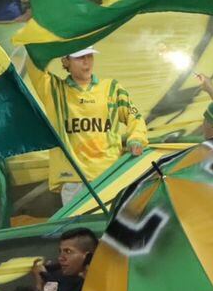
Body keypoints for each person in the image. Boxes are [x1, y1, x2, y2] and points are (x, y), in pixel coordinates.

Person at [31, 47, 147, 206]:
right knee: (78, 230)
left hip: (109, 174)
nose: (86, 62)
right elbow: (34, 62)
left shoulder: (112, 88)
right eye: (80, 57)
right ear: (66, 61)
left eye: (89, 56)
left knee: (109, 229)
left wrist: (137, 138)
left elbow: (135, 117)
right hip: (74, 179)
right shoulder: (54, 89)